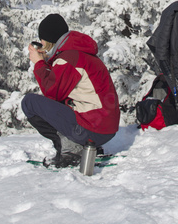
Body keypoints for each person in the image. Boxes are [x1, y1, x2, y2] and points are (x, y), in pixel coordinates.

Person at [22, 13, 120, 168]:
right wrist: (46, 62)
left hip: (92, 129)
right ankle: (84, 146)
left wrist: (39, 63)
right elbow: (62, 87)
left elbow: (52, 93)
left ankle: (72, 148)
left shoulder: (69, 58)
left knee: (29, 103)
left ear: (48, 39)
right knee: (61, 102)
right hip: (103, 126)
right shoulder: (78, 53)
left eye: (41, 39)